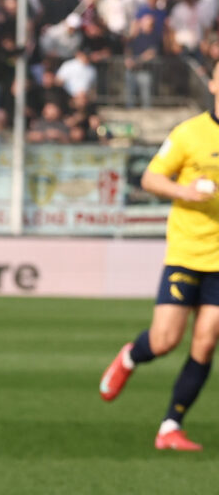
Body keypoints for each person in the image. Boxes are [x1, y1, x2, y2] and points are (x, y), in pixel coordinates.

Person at [97, 67, 219, 452]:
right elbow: (150, 179)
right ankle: (130, 357)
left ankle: (170, 426)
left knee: (206, 341)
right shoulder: (189, 133)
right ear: (213, 84)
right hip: (186, 253)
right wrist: (186, 191)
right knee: (165, 340)